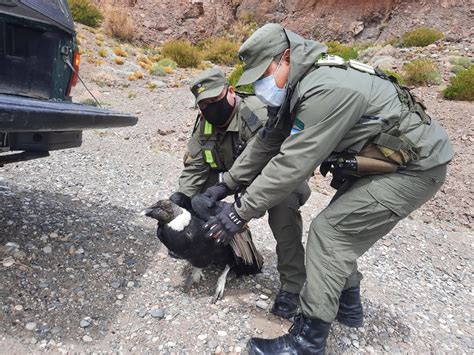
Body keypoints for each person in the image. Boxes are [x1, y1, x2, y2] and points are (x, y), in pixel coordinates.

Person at [202, 24, 454, 354]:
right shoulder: (300, 84)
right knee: (341, 229)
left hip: (415, 170)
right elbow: (269, 141)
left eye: (264, 72)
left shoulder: (325, 89)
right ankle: (349, 308)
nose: (261, 84)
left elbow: (292, 164)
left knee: (330, 232)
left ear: (286, 57)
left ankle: (307, 342)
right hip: (393, 163)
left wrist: (239, 212)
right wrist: (228, 184)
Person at [170, 67, 311, 318]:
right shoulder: (205, 124)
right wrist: (180, 202)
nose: (210, 108)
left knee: (283, 214)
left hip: (277, 177)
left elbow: (280, 166)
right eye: (203, 105)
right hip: (231, 178)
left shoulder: (258, 115)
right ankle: (209, 249)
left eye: (214, 101)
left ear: (230, 91)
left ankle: (292, 285)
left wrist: (241, 210)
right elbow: (197, 167)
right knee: (195, 199)